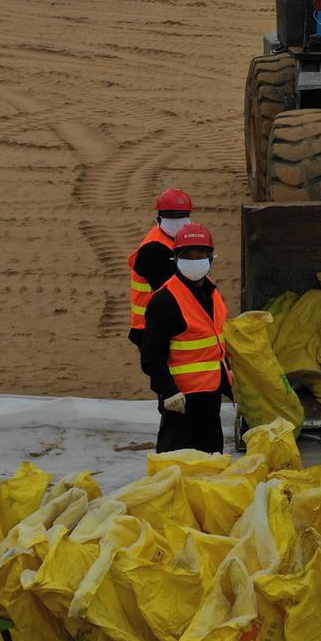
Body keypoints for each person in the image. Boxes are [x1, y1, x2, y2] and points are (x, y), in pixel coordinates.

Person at [138, 221, 230, 453]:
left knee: (211, 459)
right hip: (181, 399)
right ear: (176, 259)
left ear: (210, 258)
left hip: (210, 394)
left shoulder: (211, 291)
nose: (195, 260)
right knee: (176, 462)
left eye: (201, 254)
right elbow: (151, 356)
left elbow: (217, 339)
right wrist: (167, 392)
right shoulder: (165, 300)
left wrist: (228, 375)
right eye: (188, 255)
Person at [127, 188, 194, 346]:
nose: (178, 220)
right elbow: (174, 291)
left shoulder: (170, 238)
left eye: (182, 216)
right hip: (151, 329)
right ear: (160, 217)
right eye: (172, 216)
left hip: (160, 324)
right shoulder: (154, 251)